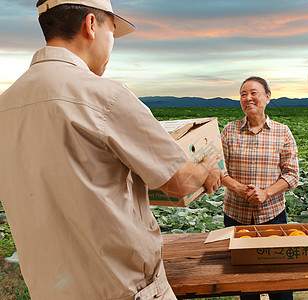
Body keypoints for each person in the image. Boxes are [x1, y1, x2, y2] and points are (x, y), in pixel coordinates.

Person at [0, 1, 222, 299]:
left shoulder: (6, 105)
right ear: (91, 25)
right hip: (123, 289)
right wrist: (207, 168)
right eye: (112, 32)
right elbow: (178, 182)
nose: (111, 45)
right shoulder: (105, 96)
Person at [221, 76, 299, 300]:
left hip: (272, 216)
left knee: (279, 280)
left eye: (254, 93)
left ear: (267, 97)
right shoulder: (229, 130)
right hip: (236, 215)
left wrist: (266, 193)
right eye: (243, 94)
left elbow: (292, 176)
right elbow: (218, 170)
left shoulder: (282, 132)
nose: (248, 98)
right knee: (245, 281)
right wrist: (238, 188)